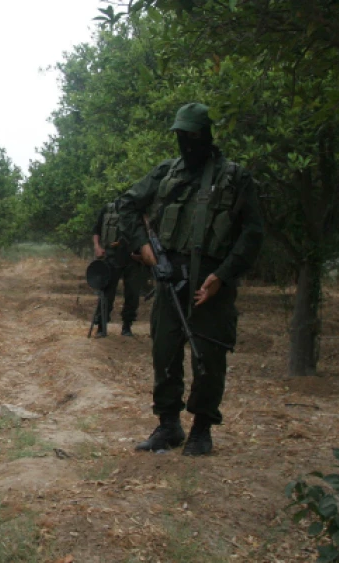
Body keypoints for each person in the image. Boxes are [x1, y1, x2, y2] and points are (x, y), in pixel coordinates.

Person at [117, 102, 263, 456]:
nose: (185, 142)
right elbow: (126, 205)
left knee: (209, 357)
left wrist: (222, 276)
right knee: (164, 353)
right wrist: (143, 247)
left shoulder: (235, 177)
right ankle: (168, 425)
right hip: (169, 279)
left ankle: (201, 428)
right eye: (180, 136)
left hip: (210, 283)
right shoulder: (167, 172)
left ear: (207, 135)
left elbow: (253, 233)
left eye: (192, 135)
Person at [91, 201, 148, 336]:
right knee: (106, 293)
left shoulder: (140, 210)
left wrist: (141, 253)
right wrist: (97, 246)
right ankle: (101, 326)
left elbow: (147, 233)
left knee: (132, 294)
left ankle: (127, 326)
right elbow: (97, 230)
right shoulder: (109, 209)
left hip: (133, 260)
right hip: (111, 256)